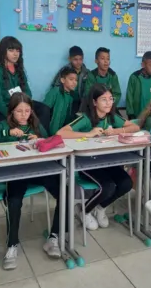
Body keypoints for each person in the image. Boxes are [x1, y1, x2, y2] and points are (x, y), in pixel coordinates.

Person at [0, 92, 68, 269]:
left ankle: (54, 237)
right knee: (14, 200)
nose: (24, 115)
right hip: (16, 172)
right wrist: (7, 132)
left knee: (65, 192)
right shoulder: (4, 126)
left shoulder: (36, 125)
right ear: (11, 113)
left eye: (27, 111)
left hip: (38, 170)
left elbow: (50, 141)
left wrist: (40, 139)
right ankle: (12, 245)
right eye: (19, 111)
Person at [57, 84, 141, 230]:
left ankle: (100, 207)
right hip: (87, 164)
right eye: (104, 99)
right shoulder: (85, 118)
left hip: (108, 161)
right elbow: (60, 133)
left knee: (126, 183)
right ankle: (84, 210)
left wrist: (116, 131)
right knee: (108, 187)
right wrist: (88, 134)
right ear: (94, 102)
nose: (109, 103)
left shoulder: (112, 117)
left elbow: (135, 127)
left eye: (111, 99)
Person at [0, 36, 50, 132]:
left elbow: (27, 91)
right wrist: (11, 113)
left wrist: (25, 106)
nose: (15, 54)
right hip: (7, 107)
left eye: (18, 50)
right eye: (11, 50)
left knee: (44, 109)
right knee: (8, 122)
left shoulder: (19, 70)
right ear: (3, 51)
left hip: (22, 103)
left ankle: (38, 137)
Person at [126, 51, 151, 120]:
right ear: (143, 65)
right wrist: (130, 113)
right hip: (137, 114)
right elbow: (129, 96)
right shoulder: (134, 77)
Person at [52, 45, 89, 114]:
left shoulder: (86, 72)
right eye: (75, 59)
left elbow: (89, 90)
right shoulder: (65, 70)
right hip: (66, 101)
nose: (78, 62)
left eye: (81, 59)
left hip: (81, 102)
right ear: (69, 59)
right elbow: (56, 85)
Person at [43, 67, 77, 135]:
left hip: (60, 133)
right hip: (48, 133)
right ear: (62, 80)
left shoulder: (71, 96)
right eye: (71, 79)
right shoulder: (55, 92)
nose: (74, 82)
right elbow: (44, 112)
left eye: (76, 80)